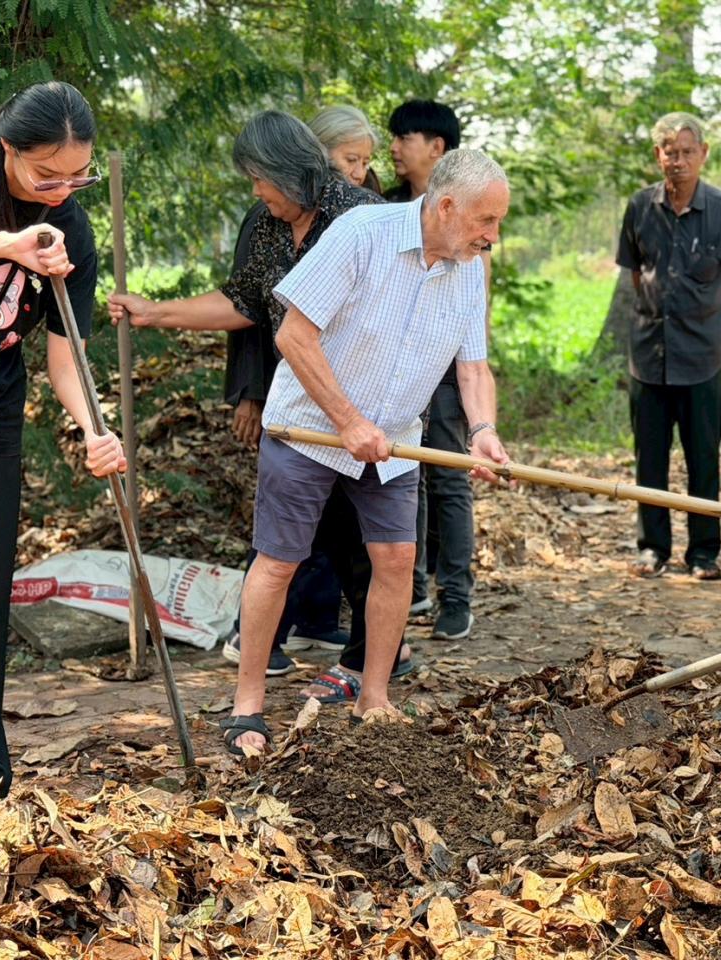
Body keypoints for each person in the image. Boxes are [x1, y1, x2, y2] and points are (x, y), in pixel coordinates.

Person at [221, 149, 511, 754]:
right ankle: (247, 707)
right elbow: (293, 336)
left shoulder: (471, 270)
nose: (493, 236)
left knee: (397, 560)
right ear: (447, 205)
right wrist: (348, 421)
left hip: (396, 438)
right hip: (309, 428)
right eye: (486, 221)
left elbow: (473, 365)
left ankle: (373, 698)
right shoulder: (362, 233)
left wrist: (483, 430)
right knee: (279, 561)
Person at [107, 111, 397, 679]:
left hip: (367, 412)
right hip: (299, 416)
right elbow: (245, 302)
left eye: (260, 179)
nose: (256, 191)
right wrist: (156, 312)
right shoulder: (267, 223)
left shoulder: (365, 219)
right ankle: (261, 672)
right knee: (286, 544)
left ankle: (377, 673)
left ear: (287, 173)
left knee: (376, 547)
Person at [0, 82, 125, 815]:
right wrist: (6, 245)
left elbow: (67, 362)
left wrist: (95, 431)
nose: (63, 191)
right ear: (7, 147)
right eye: (48, 175)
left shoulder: (73, 231)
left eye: (79, 176)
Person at [615, 111, 721, 581]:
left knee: (702, 461)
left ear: (704, 155)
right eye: (670, 152)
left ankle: (703, 553)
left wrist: (700, 311)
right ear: (658, 156)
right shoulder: (639, 208)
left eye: (687, 152)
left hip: (702, 358)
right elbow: (637, 274)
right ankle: (652, 548)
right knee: (648, 461)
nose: (678, 161)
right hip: (648, 359)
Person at [386, 99, 485, 640]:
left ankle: (456, 595)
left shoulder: (467, 207)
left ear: (437, 147)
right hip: (396, 369)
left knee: (448, 478)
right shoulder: (388, 206)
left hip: (446, 367)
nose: (395, 147)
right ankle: (414, 585)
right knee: (406, 474)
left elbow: (475, 301)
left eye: (406, 137)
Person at [310, 104, 384, 196]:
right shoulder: (292, 197)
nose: (359, 175)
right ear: (320, 151)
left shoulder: (370, 199)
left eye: (365, 163)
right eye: (351, 160)